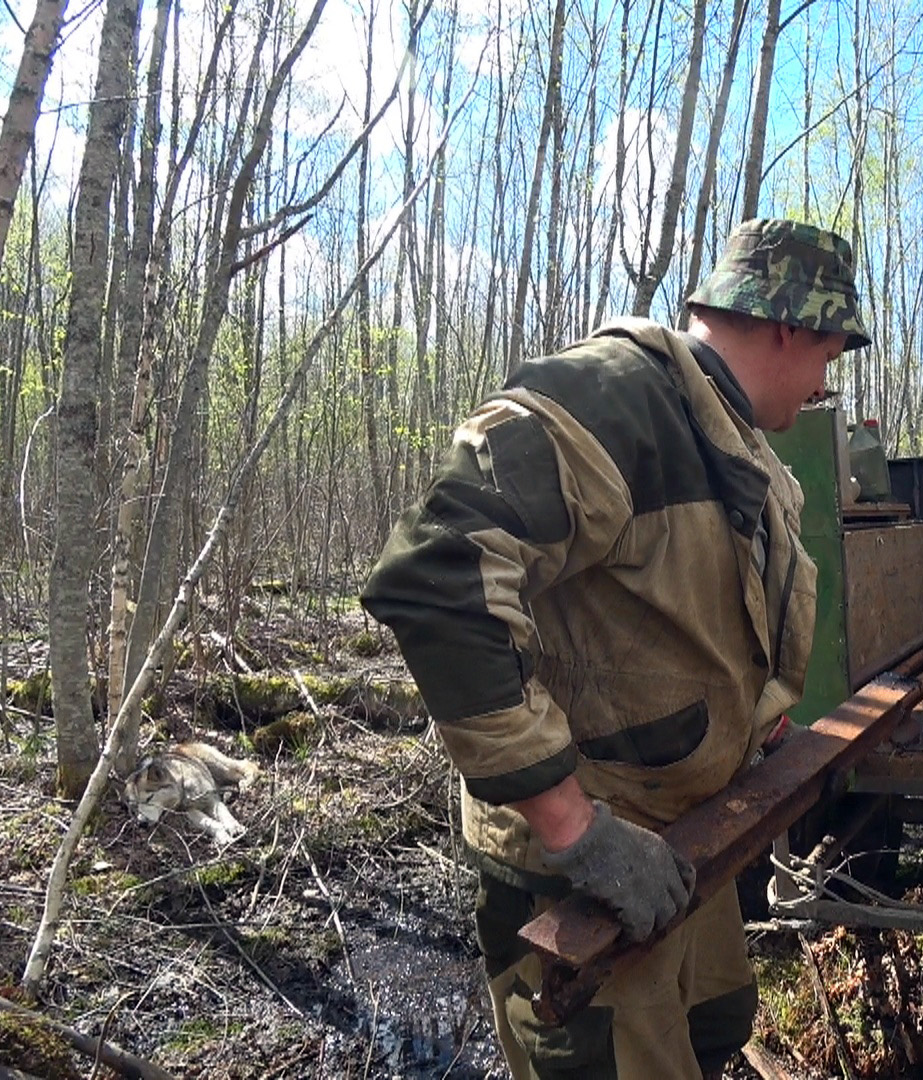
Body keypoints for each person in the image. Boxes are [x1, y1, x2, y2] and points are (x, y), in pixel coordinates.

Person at [361, 218, 869, 1079]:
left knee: (713, 1027)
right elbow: (437, 576)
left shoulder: (740, 443)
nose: (826, 382)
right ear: (788, 324)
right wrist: (575, 830)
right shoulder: (610, 401)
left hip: (679, 844)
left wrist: (747, 726)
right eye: (830, 353)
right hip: (585, 873)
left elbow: (676, 619)